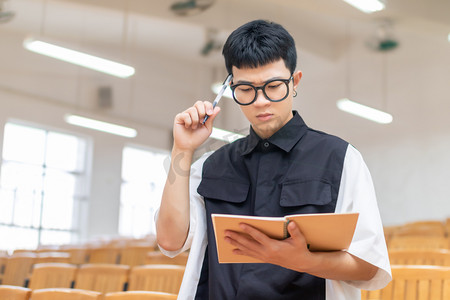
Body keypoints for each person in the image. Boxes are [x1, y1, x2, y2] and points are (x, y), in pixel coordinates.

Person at [156, 19, 391, 300]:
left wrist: (304, 261)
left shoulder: (340, 159)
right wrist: (182, 149)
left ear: (295, 82)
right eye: (246, 89)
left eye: (273, 86)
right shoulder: (211, 165)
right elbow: (170, 242)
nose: (260, 101)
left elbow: (369, 266)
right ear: (230, 88)